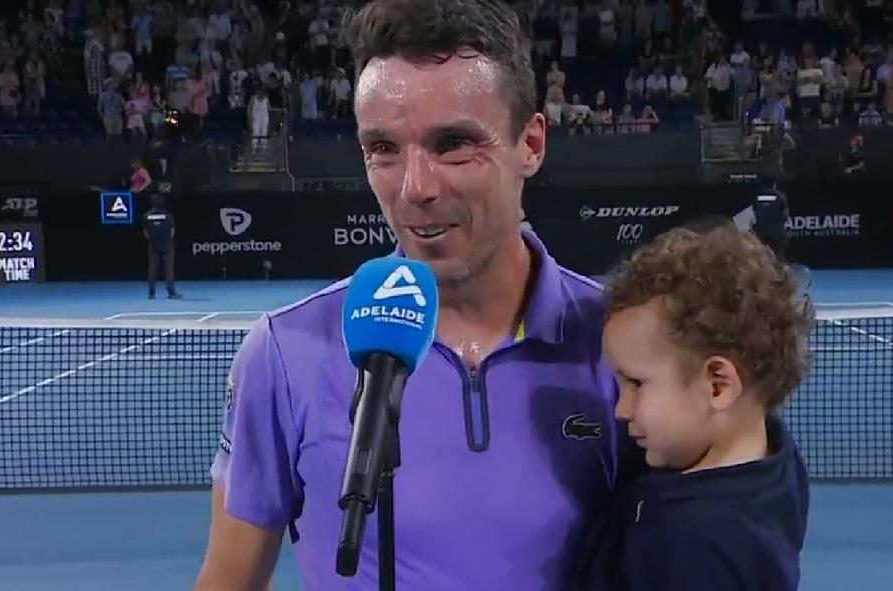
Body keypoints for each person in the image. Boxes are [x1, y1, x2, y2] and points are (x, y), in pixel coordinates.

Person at [193, 1, 624, 589]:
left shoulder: (625, 345)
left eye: (454, 144)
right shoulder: (283, 354)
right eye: (384, 150)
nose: (415, 189)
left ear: (530, 142)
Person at [576, 223, 813, 590]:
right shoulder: (776, 460)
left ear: (718, 385)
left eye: (636, 383)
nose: (621, 409)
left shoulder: (697, 544)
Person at [142, 194, 179, 300]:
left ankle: (151, 293)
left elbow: (146, 233)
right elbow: (172, 232)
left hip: (153, 245)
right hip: (167, 244)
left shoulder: (146, 216)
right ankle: (171, 293)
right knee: (169, 269)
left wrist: (153, 240)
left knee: (152, 268)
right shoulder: (168, 216)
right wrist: (167, 240)